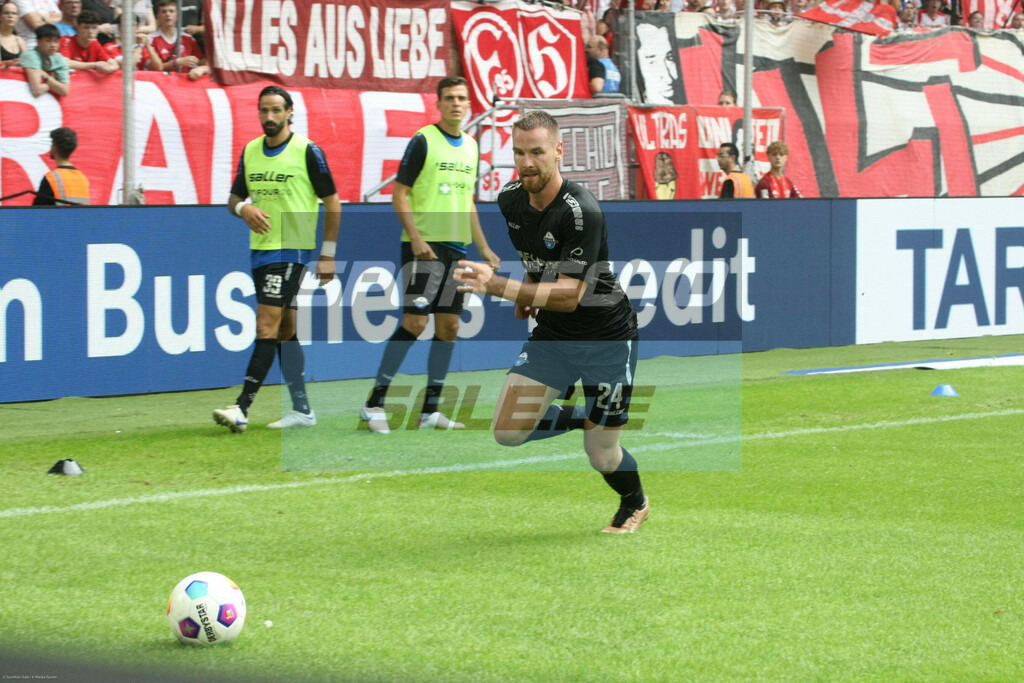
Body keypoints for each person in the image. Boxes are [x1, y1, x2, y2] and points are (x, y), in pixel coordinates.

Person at [452, 111, 648, 534]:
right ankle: (584, 415)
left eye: (537, 152)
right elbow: (537, 257)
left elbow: (571, 294)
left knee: (601, 456)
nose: (527, 163)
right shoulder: (510, 199)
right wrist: (526, 288)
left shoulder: (581, 211)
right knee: (506, 431)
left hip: (606, 338)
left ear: (558, 151)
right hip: (555, 336)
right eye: (519, 152)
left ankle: (635, 502)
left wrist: (502, 288)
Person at [360, 76, 500, 434]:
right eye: (449, 98)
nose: (456, 104)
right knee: (415, 322)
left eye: (462, 98)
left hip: (457, 249)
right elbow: (399, 194)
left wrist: (483, 247)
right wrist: (417, 238)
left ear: (469, 105)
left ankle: (430, 411)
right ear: (438, 104)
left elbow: (467, 201)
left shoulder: (471, 146)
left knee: (449, 326)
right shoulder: (424, 140)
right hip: (423, 248)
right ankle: (374, 403)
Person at [213, 85, 341, 433]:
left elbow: (332, 201)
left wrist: (327, 253)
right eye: (264, 111)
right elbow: (233, 199)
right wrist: (244, 208)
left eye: (276, 110)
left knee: (265, 324)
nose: (269, 117)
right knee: (284, 330)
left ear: (289, 113)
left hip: (292, 250)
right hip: (261, 251)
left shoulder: (307, 151)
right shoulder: (252, 151)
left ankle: (242, 408)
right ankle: (302, 410)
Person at [149, 0, 207, 78]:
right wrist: (178, 62)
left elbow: (201, 61)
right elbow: (154, 67)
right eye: (164, 12)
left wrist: (199, 64)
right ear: (157, 16)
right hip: (161, 82)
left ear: (177, 15)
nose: (168, 14)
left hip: (184, 83)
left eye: (171, 11)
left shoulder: (188, 38)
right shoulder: (151, 39)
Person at [33, 127, 89, 205]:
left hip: (59, 217)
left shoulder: (52, 178)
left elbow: (36, 212)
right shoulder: (82, 178)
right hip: (79, 217)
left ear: (54, 148)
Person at [21, 23, 68, 96]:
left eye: (56, 41)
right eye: (48, 41)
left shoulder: (59, 58)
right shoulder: (31, 55)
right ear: (38, 42)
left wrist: (46, 76)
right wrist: (54, 81)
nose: (53, 45)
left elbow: (64, 91)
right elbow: (37, 90)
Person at [0, 0, 28, 65]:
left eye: (14, 13)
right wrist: (6, 64)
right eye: (6, 13)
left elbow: (28, 63)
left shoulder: (19, 40)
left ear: (18, 18)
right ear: (0, 16)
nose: (10, 16)